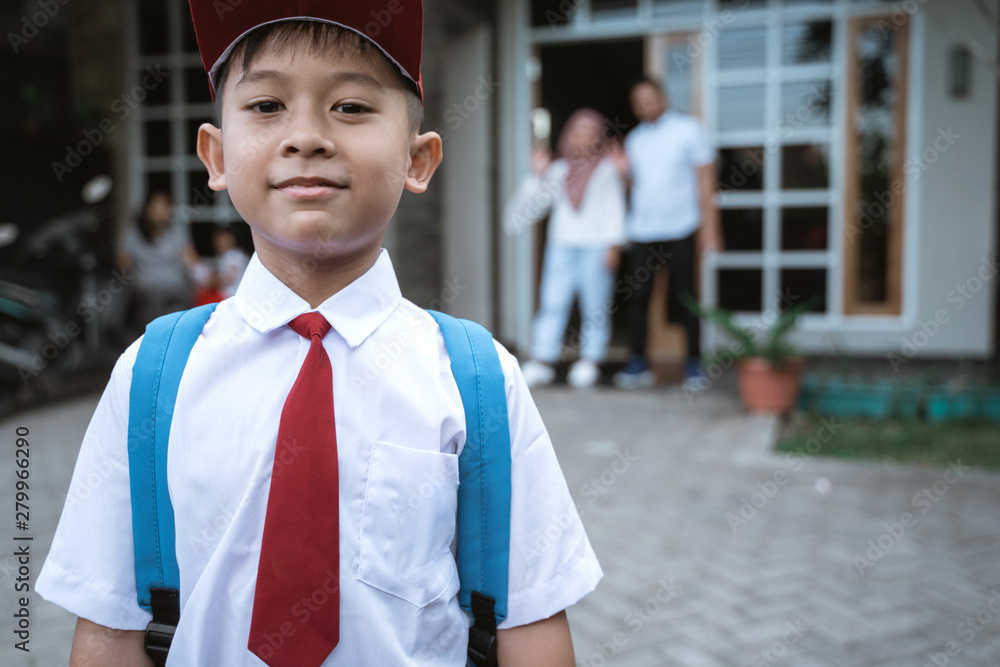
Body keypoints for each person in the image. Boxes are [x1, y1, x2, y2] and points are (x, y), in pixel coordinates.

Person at [36, 2, 601, 666]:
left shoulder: (477, 380)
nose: (306, 136)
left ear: (418, 160)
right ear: (215, 156)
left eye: (353, 108)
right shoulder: (151, 376)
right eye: (268, 105)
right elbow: (108, 627)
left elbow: (530, 622)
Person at [610, 78, 723, 390]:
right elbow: (633, 189)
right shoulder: (633, 140)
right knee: (637, 296)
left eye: (650, 98)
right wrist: (622, 173)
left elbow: (705, 181)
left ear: (662, 97)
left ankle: (693, 365)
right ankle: (638, 363)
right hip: (644, 229)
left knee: (684, 296)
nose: (645, 105)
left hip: (682, 226)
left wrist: (710, 230)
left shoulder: (689, 129)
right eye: (638, 102)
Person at [505, 108, 626, 388]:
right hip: (562, 247)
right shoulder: (559, 170)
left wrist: (614, 245)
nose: (582, 139)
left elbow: (614, 209)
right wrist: (537, 176)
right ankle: (542, 359)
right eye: (577, 133)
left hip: (596, 248)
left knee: (595, 306)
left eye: (589, 134)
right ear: (568, 136)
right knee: (552, 302)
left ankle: (590, 360)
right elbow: (533, 208)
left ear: (598, 138)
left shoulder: (607, 169)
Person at [118, 190, 206, 326]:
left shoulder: (176, 231)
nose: (165, 211)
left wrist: (203, 277)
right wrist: (130, 274)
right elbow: (123, 261)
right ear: (148, 209)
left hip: (176, 286)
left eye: (167, 207)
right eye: (160, 207)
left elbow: (191, 260)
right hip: (147, 288)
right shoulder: (134, 234)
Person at [213, 223, 250, 299]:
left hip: (233, 295)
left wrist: (213, 279)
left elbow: (231, 278)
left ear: (231, 239)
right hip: (232, 295)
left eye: (223, 239)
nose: (219, 242)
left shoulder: (233, 255)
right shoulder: (234, 254)